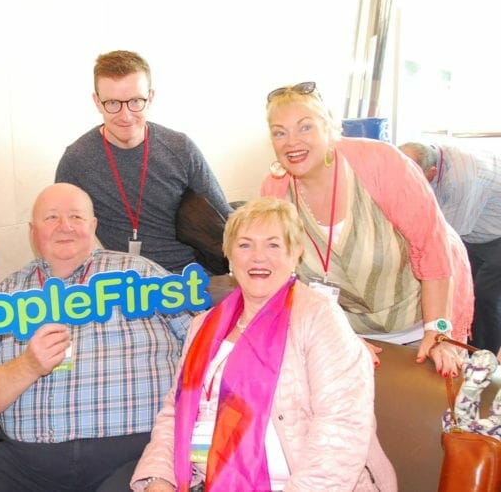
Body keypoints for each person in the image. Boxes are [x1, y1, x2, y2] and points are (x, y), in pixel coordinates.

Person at [130, 198, 397, 491]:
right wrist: (158, 477)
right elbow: (175, 411)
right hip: (202, 482)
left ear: (295, 253)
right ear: (228, 254)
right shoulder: (203, 325)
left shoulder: (319, 317)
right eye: (245, 245)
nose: (258, 257)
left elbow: (342, 429)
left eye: (273, 245)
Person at [0, 183, 193, 492]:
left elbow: (206, 346)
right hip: (27, 464)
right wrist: (28, 366)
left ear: (93, 226)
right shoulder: (8, 295)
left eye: (76, 217)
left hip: (134, 453)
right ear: (32, 231)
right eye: (51, 218)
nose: (65, 226)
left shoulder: (141, 276)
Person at [259, 82, 473, 377]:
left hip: (421, 318)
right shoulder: (275, 190)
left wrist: (438, 330)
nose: (291, 142)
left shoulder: (381, 163)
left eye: (304, 127)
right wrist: (332, 335)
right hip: (350, 332)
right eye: (279, 132)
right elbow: (282, 278)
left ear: (329, 127)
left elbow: (432, 246)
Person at [55, 50, 232, 274]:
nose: (125, 115)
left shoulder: (180, 148)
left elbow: (226, 221)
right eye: (112, 103)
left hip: (193, 279)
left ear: (151, 97)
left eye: (136, 101)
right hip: (128, 287)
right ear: (97, 102)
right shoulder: (76, 161)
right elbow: (63, 237)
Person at [399, 141, 501, 352]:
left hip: (495, 237)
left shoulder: (462, 180)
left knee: (484, 296)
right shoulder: (431, 156)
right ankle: (467, 342)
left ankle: (487, 355)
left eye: (413, 178)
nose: (406, 183)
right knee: (465, 294)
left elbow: (443, 239)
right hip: (476, 234)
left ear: (432, 172)